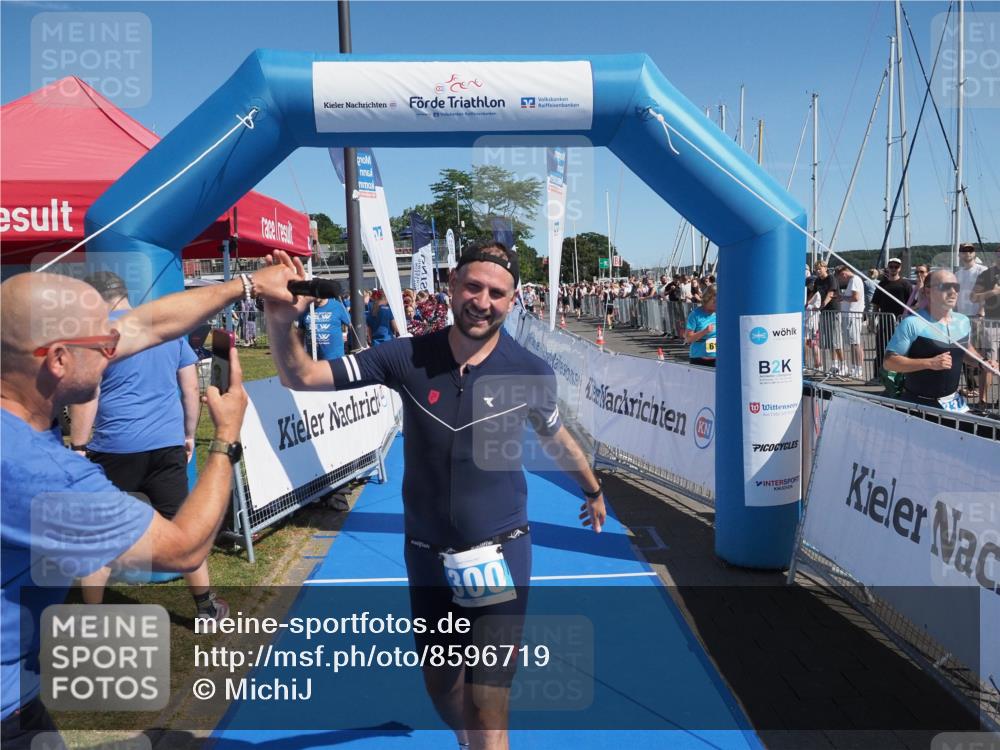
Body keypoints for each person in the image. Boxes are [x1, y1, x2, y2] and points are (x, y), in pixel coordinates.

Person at [261, 244, 606, 750]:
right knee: (443, 689)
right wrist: (279, 319)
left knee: (490, 701)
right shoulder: (407, 356)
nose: (482, 300)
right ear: (451, 286)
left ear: (512, 302)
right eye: (472, 286)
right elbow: (301, 377)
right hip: (427, 557)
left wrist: (592, 488)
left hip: (501, 551)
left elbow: (555, 436)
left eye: (496, 292)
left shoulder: (530, 371)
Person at [0, 262, 295, 746]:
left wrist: (247, 284)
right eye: (102, 346)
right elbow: (181, 548)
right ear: (56, 360)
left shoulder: (19, 379)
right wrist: (224, 438)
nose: (114, 350)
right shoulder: (40, 474)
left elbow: (143, 325)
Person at [68, 272, 227, 620]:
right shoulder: (162, 329)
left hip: (113, 448)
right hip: (165, 444)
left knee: (100, 536)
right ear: (124, 296)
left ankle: (91, 618)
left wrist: (79, 445)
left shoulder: (93, 336)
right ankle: (205, 606)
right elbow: (189, 386)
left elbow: (87, 395)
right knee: (183, 531)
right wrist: (188, 434)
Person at [883, 270, 998, 412]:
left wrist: (982, 362)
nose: (952, 292)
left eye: (956, 287)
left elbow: (964, 350)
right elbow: (889, 362)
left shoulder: (962, 321)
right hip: (919, 404)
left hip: (954, 403)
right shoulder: (912, 323)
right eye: (945, 287)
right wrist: (929, 363)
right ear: (927, 291)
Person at [873, 257, 912, 375]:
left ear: (900, 268)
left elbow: (911, 304)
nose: (893, 269)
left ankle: (899, 376)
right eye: (891, 266)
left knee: (900, 350)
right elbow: (876, 304)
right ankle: (879, 375)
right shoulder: (882, 284)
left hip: (901, 322)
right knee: (881, 349)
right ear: (888, 268)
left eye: (896, 267)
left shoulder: (905, 284)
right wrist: (872, 320)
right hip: (885, 321)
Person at [972, 251, 1000, 411]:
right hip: (991, 324)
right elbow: (973, 297)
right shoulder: (987, 274)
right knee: (988, 364)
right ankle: (982, 400)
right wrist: (993, 292)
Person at [298, 284, 352, 360]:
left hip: (335, 359)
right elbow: (300, 332)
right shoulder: (305, 308)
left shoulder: (337, 306)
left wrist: (352, 344)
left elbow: (351, 326)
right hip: (313, 359)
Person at [836, 265, 865, 380]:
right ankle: (854, 367)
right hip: (850, 315)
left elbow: (856, 297)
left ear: (844, 274)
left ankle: (858, 368)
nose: (842, 280)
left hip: (853, 314)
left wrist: (843, 298)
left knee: (855, 343)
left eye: (840, 278)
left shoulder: (854, 280)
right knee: (853, 343)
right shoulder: (854, 280)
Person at [812, 261, 842, 374]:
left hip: (833, 310)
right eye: (816, 269)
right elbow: (814, 294)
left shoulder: (831, 278)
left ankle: (842, 363)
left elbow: (831, 292)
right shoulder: (818, 281)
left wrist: (823, 304)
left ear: (825, 268)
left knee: (836, 339)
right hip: (823, 312)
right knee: (828, 340)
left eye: (820, 268)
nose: (818, 271)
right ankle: (833, 364)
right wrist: (807, 304)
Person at [684, 284, 717, 367]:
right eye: (715, 301)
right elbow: (688, 339)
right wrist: (704, 331)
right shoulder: (695, 314)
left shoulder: (722, 313)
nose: (718, 304)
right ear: (707, 299)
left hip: (719, 358)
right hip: (699, 358)